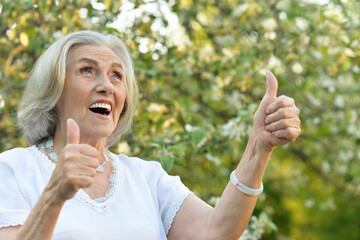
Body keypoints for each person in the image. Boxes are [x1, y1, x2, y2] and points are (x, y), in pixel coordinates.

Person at [0, 31, 301, 240]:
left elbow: (217, 231)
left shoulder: (147, 177)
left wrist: (259, 147)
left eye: (117, 75)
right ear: (53, 91)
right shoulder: (13, 169)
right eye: (88, 70)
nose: (107, 85)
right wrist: (54, 195)